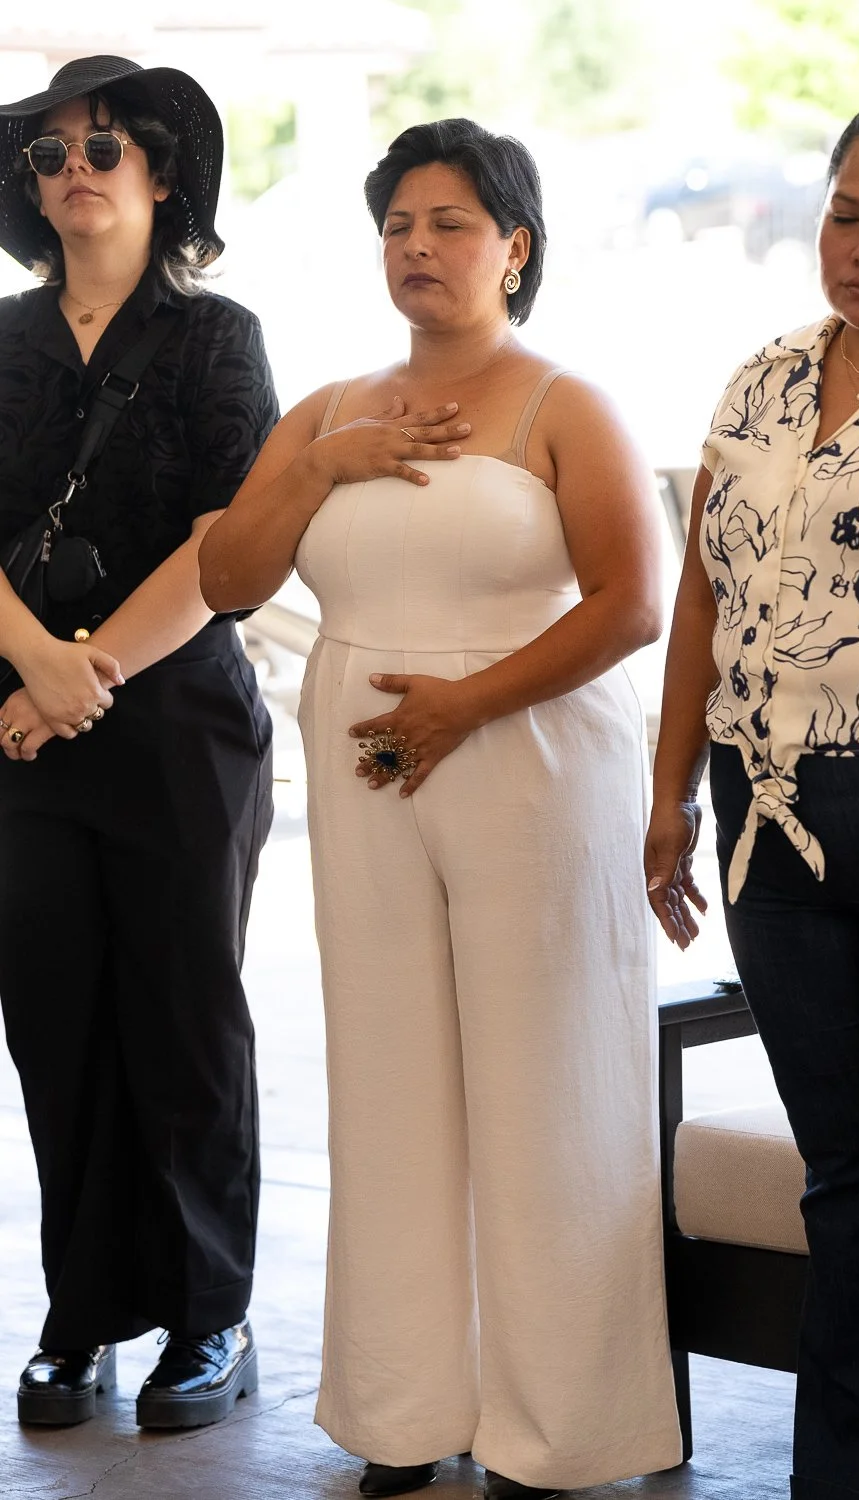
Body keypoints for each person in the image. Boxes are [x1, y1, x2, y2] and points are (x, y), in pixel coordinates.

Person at [199, 118, 681, 1500]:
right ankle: (405, 1411)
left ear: (514, 247)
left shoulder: (564, 403)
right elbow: (231, 573)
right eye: (398, 223)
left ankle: (559, 1428)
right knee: (391, 1081)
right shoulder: (331, 405)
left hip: (529, 761)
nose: (417, 245)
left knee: (545, 1083)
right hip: (368, 782)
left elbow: (633, 604)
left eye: (450, 222)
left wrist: (462, 710)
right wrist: (316, 465)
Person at [646, 85, 859, 1500]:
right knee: (848, 1180)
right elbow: (703, 594)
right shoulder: (766, 374)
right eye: (845, 213)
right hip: (771, 833)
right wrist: (671, 791)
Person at [0, 55, 280, 1429]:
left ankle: (208, 1319)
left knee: (186, 1021)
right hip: (21, 727)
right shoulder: (0, 341)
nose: (73, 174)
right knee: (56, 1024)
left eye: (100, 148)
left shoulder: (220, 338)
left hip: (175, 726)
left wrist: (83, 672)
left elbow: (228, 544)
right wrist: (37, 666)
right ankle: (81, 1315)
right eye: (48, 156)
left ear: (161, 174)